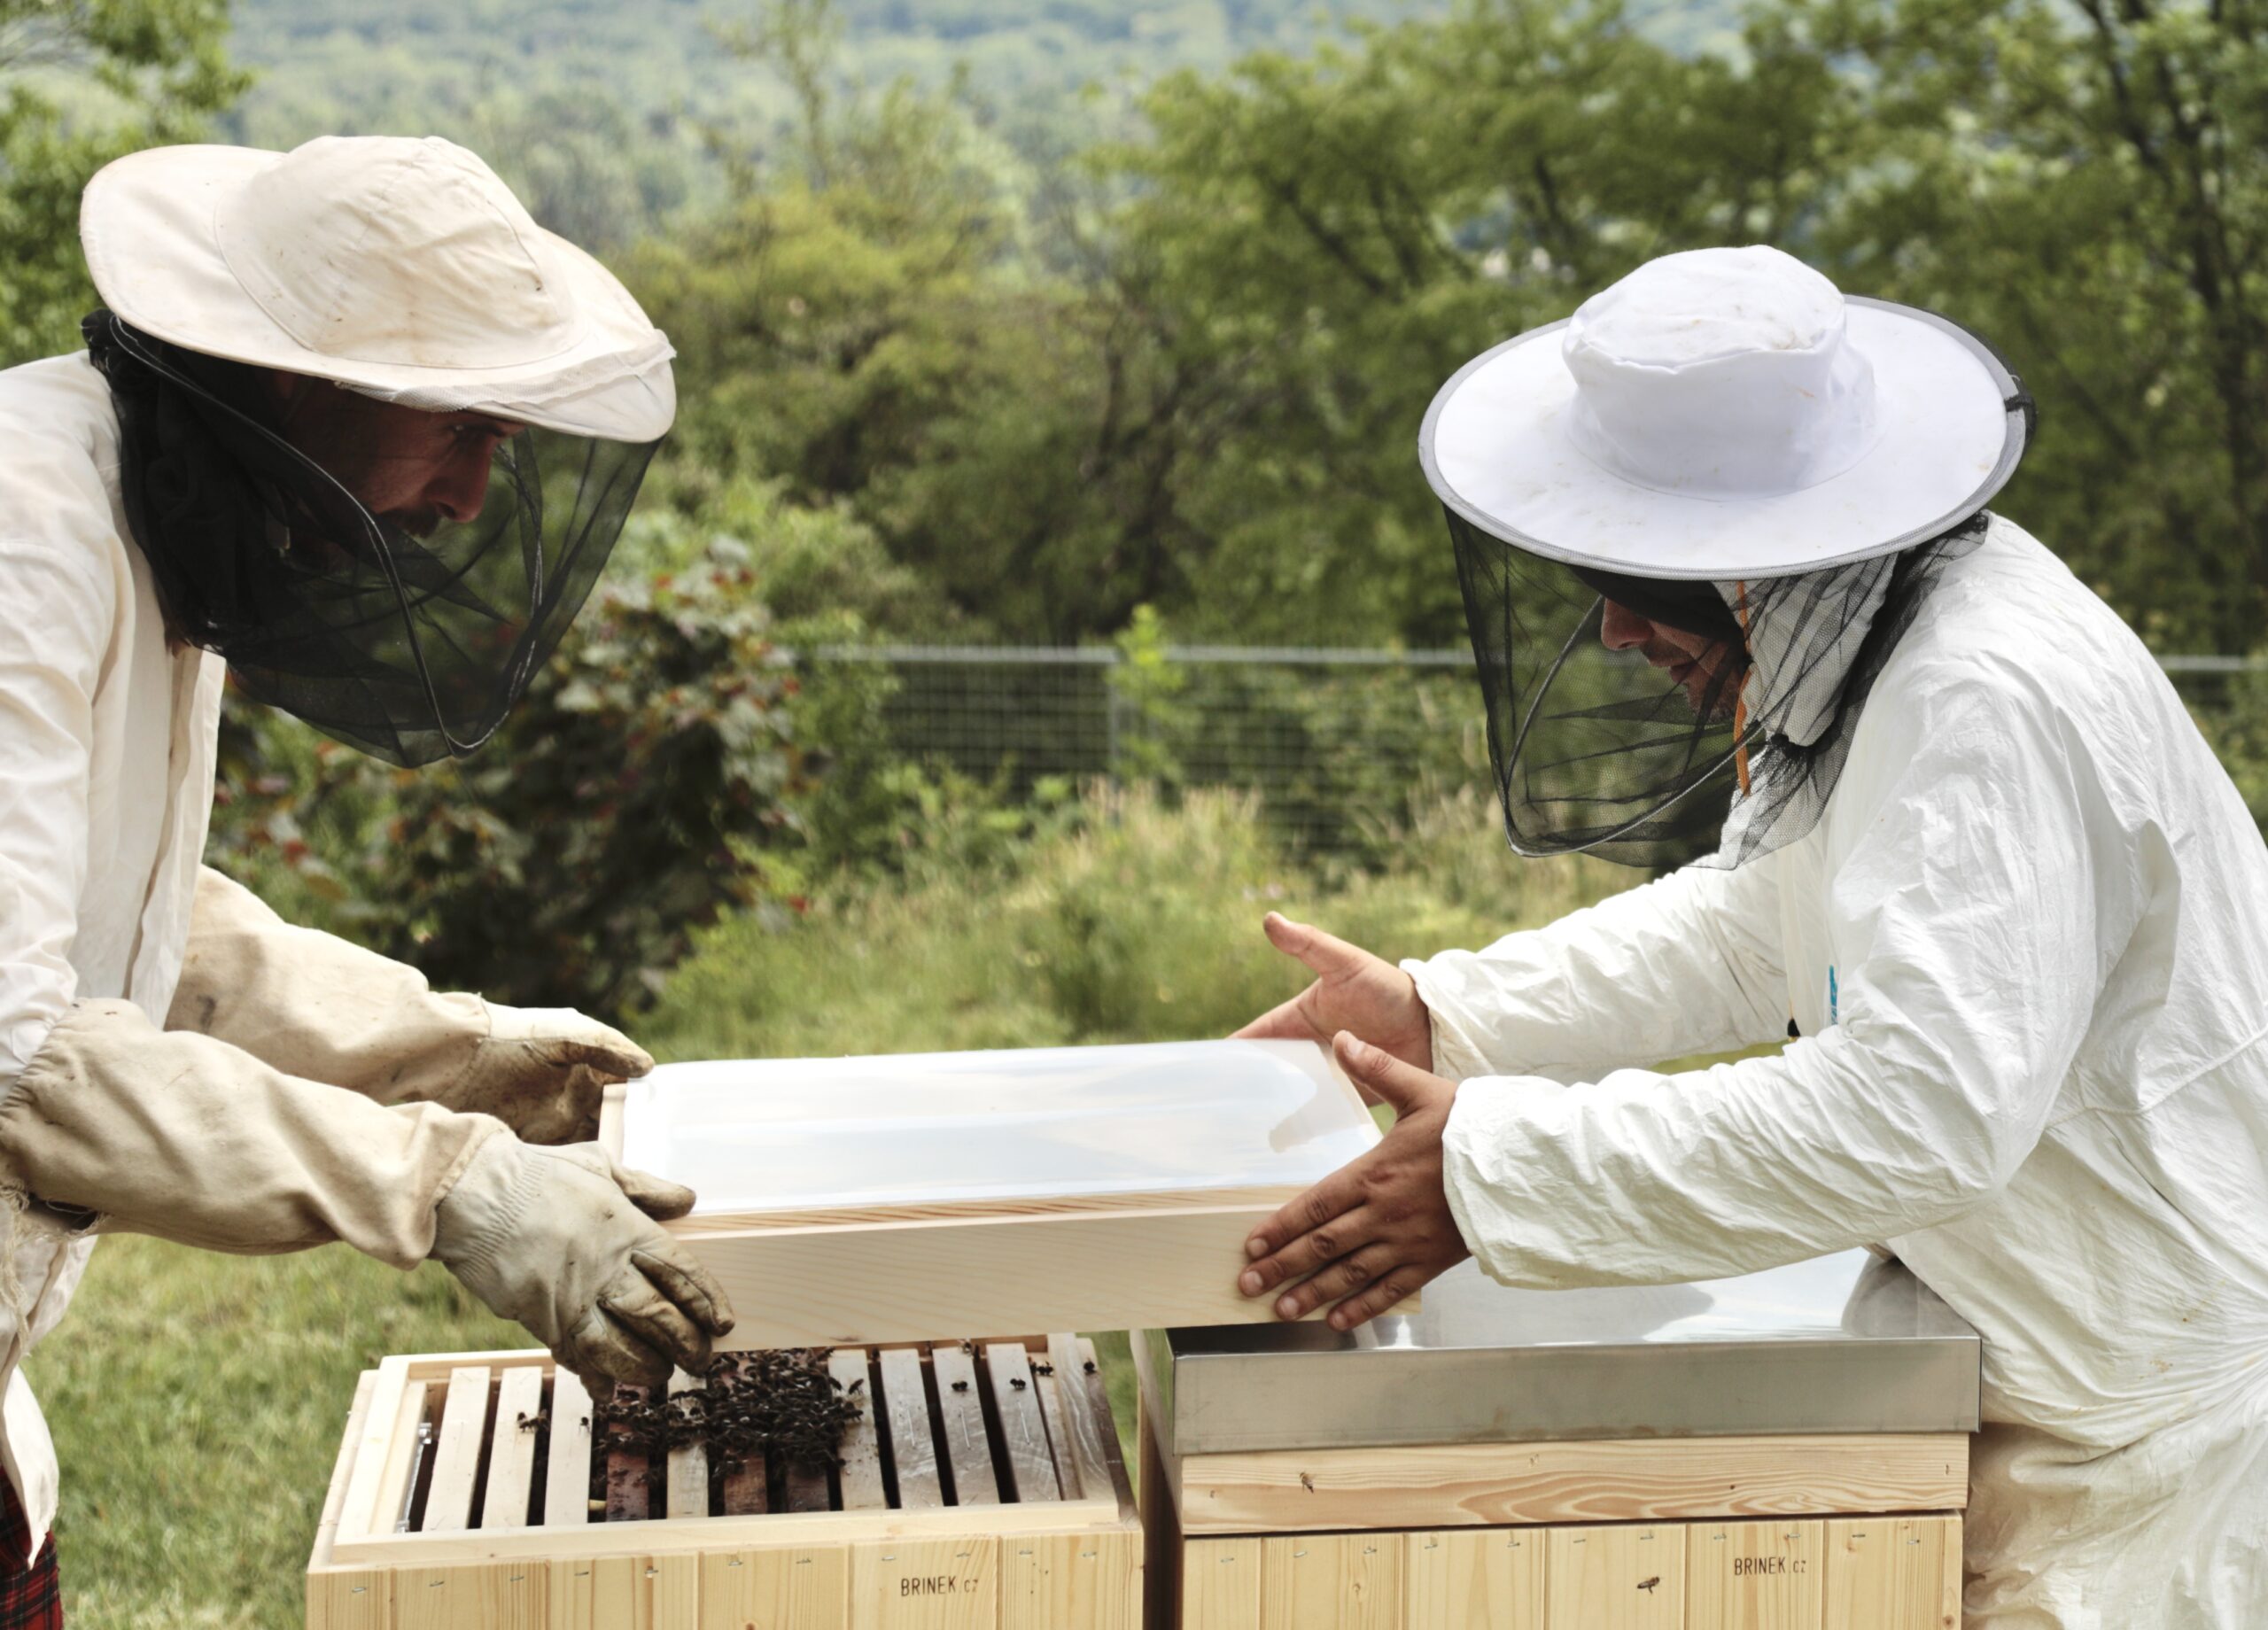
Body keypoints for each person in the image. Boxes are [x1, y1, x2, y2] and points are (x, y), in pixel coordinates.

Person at [1233, 245, 2268, 1626]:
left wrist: (1496, 1173)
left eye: (1637, 572)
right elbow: (1761, 924)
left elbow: (1922, 1109)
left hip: (2161, 1461)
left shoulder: (1979, 697)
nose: (1613, 627)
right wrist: (1448, 1015)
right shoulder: (1892, 637)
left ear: (1757, 555)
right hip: (2053, 1376)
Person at [0, 135, 736, 1613]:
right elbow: (17, 1057)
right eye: (456, 427)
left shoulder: (154, 511)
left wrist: (455, 1052)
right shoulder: (26, 533)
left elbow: (126, 927)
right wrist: (453, 1186)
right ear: (295, 389)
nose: (470, 495)